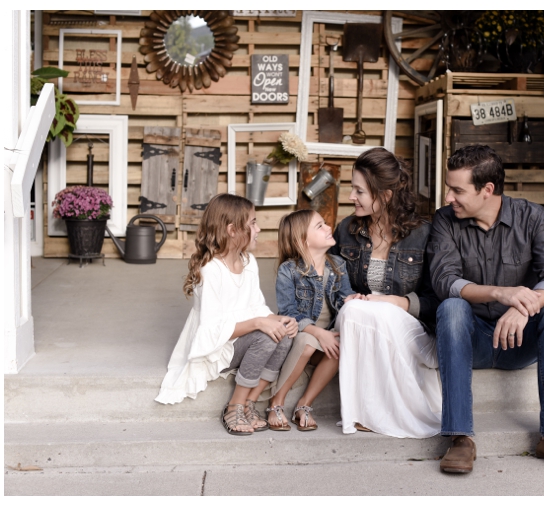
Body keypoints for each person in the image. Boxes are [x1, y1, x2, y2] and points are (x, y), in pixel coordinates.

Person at [427, 145, 544, 473]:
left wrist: (524, 307)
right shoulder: (445, 220)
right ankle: (459, 437)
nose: (448, 197)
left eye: (457, 190)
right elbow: (444, 281)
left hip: (519, 341)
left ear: (487, 190)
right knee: (451, 307)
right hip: (473, 341)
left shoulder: (532, 217)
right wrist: (501, 293)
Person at [155, 193, 298, 436]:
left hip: (239, 343)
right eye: (253, 223)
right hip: (216, 350)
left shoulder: (248, 261)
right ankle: (235, 406)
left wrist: (280, 320)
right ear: (232, 230)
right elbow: (212, 331)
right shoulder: (211, 271)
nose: (258, 229)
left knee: (283, 335)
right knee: (265, 338)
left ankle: (250, 401)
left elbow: (257, 307)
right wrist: (259, 323)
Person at [330, 147, 442, 439]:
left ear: (386, 195)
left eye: (359, 191)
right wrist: (346, 297)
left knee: (371, 312)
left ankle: (381, 413)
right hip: (360, 320)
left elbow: (437, 301)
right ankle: (363, 412)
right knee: (354, 309)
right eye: (352, 188)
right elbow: (330, 282)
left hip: (411, 329)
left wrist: (396, 302)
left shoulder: (424, 234)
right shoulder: (347, 230)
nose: (351, 197)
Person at [268, 210, 364, 431]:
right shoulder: (289, 270)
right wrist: (320, 333)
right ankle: (277, 402)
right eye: (320, 226)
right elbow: (289, 313)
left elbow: (344, 298)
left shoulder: (338, 264)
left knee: (341, 346)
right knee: (307, 342)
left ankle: (304, 404)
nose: (329, 227)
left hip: (325, 341)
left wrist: (351, 299)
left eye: (325, 223)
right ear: (302, 240)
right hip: (299, 339)